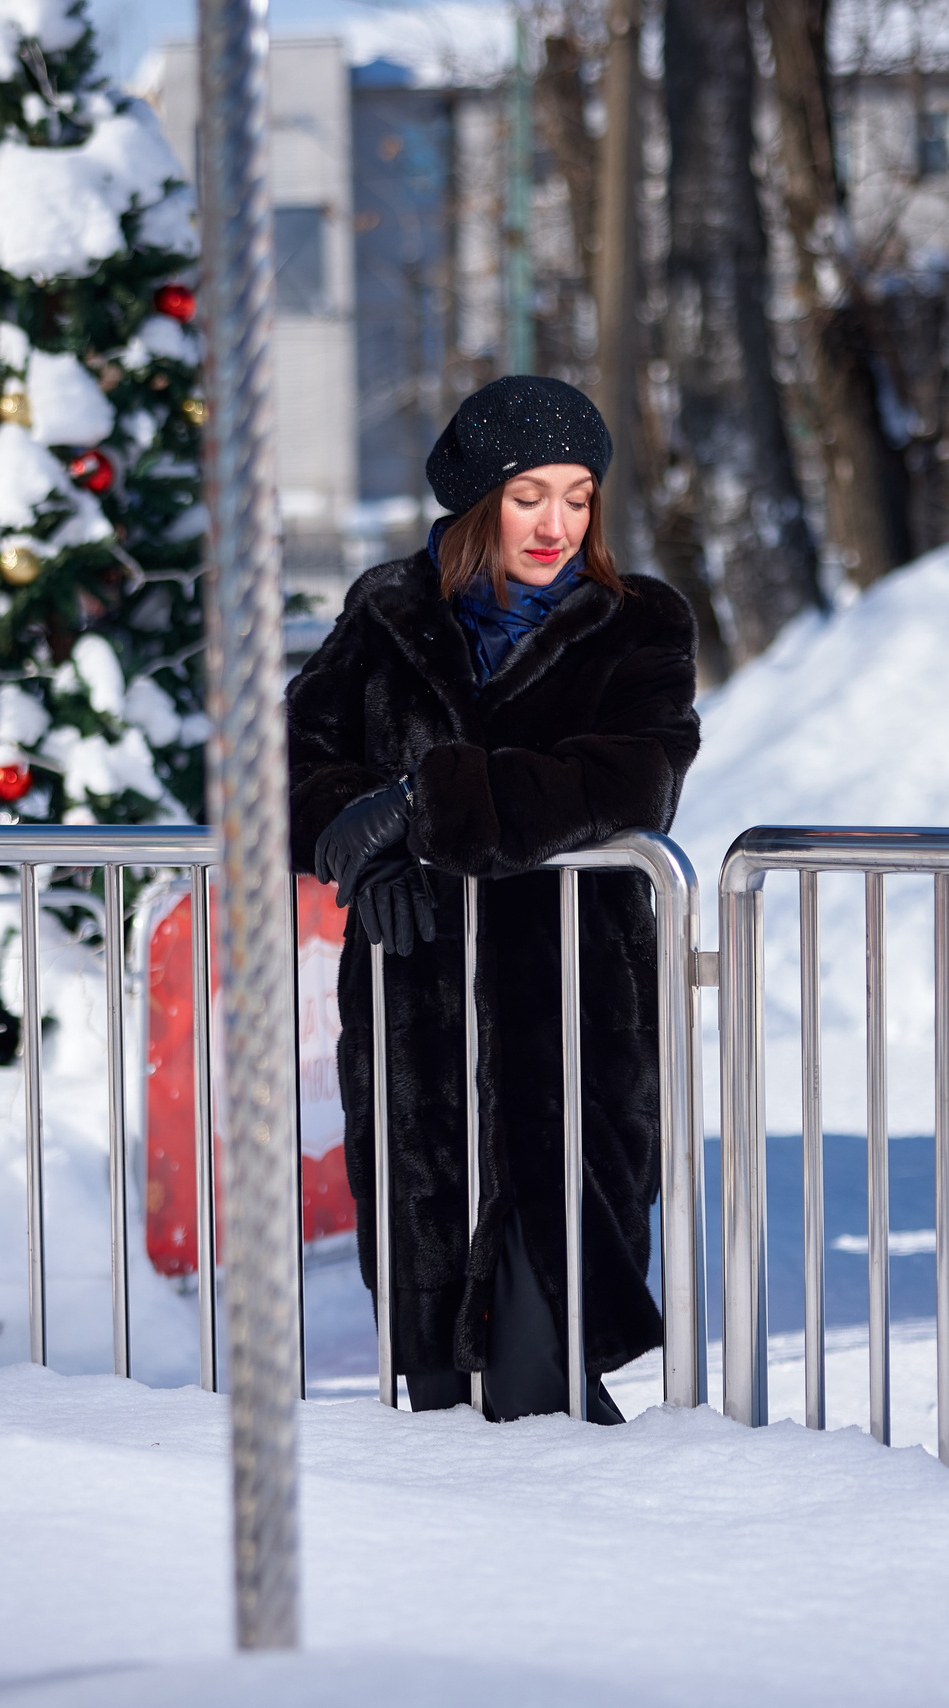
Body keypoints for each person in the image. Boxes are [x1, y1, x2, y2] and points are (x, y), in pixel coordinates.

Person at [285, 375, 700, 1421]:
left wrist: (413, 804)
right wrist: (365, 849)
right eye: (530, 495)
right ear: (478, 500)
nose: (558, 522)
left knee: (544, 1362)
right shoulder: (385, 614)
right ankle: (463, 1579)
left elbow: (630, 780)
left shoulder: (637, 623)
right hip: (416, 1023)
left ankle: (609, 1569)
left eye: (578, 494)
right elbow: (290, 769)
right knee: (433, 1371)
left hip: (565, 1020)